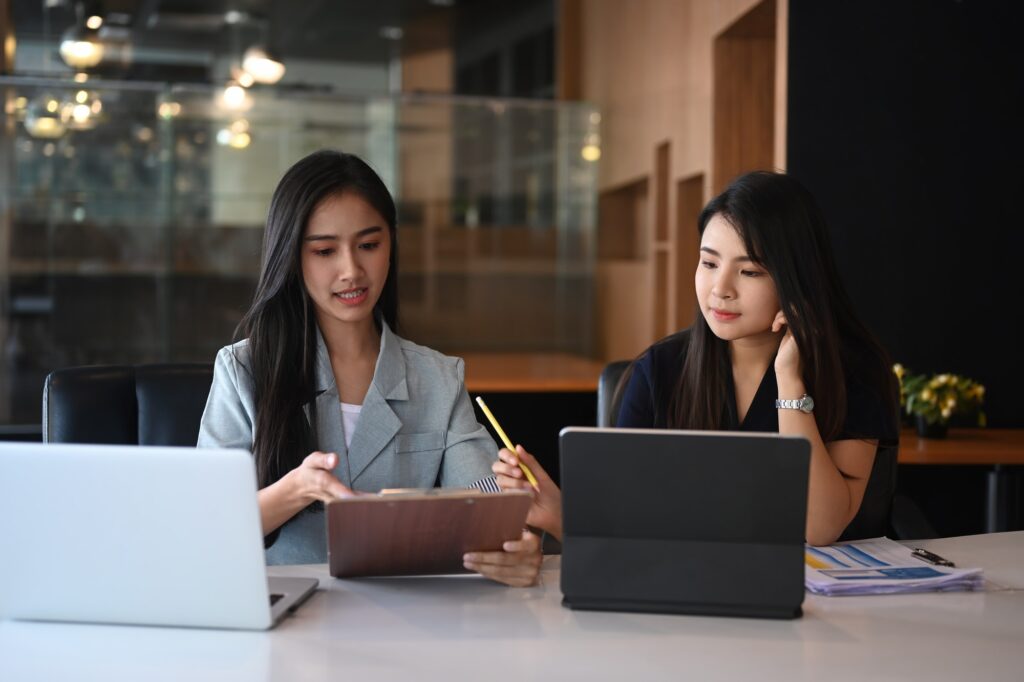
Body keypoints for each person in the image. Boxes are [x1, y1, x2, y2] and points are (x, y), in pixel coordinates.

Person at [494, 171, 899, 547]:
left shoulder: (852, 371)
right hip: (686, 599)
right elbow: (624, 527)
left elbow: (819, 529)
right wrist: (561, 514)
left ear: (797, 278)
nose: (720, 289)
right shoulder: (659, 370)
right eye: (708, 263)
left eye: (750, 271)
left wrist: (790, 380)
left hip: (824, 609)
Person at [199, 149, 540, 585]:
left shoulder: (438, 379)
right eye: (324, 251)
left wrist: (513, 546)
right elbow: (204, 530)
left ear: (391, 244)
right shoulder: (244, 370)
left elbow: (485, 505)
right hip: (281, 618)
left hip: (406, 620)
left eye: (369, 245)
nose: (352, 271)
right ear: (291, 256)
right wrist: (297, 489)